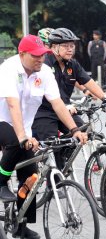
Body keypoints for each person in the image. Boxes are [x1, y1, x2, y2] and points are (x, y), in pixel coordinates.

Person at [0, 34, 87, 238]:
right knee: (15, 142)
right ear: (22, 54)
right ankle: (1, 182)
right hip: (3, 122)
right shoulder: (8, 69)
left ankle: (21, 227)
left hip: (25, 128)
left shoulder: (45, 72)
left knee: (30, 178)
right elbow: (12, 105)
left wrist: (74, 130)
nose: (40, 59)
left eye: (43, 55)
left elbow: (57, 104)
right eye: (35, 56)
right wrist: (22, 138)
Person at [32, 28, 106, 171]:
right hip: (44, 112)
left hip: (63, 110)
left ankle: (63, 158)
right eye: (65, 46)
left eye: (72, 46)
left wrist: (105, 98)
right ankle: (53, 182)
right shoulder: (44, 64)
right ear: (54, 47)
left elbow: (88, 80)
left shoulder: (72, 64)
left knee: (82, 131)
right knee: (53, 145)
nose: (70, 49)